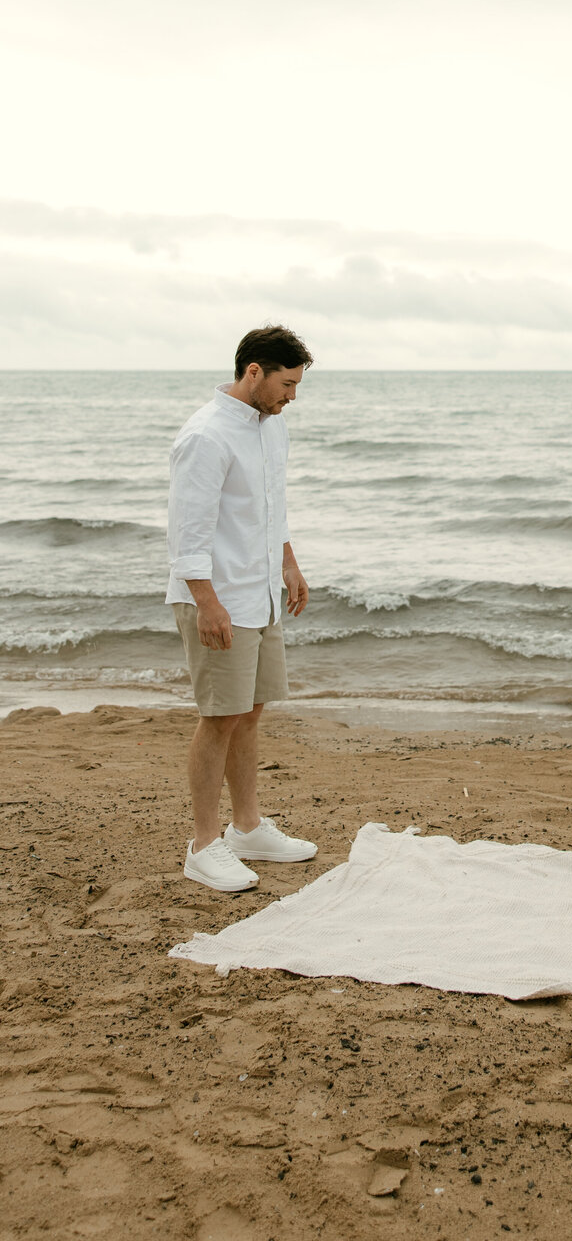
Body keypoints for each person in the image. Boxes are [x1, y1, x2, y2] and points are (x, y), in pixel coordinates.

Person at [167, 325, 318, 891]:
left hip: (261, 591)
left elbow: (271, 508)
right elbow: (189, 530)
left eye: (298, 385)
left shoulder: (270, 428)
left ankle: (248, 828)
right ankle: (204, 845)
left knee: (251, 710)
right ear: (253, 372)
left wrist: (290, 565)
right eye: (286, 383)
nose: (292, 397)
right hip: (219, 595)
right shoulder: (206, 436)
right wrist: (206, 603)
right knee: (219, 716)